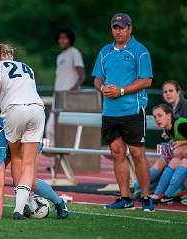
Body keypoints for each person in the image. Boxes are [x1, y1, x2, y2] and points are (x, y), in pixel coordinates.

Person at [0, 42, 68, 220]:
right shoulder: (26, 67)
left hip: (14, 113)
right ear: (10, 55)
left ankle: (40, 205)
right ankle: (19, 209)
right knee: (22, 171)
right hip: (36, 111)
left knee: (16, 170)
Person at [92, 13, 154, 211]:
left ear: (130, 28)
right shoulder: (105, 51)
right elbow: (97, 79)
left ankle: (146, 197)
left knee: (137, 153)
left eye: (122, 27)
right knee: (117, 153)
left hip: (132, 110)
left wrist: (121, 91)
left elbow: (146, 80)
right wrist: (102, 89)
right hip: (110, 112)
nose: (118, 31)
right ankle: (125, 198)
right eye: (115, 27)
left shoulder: (140, 51)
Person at [133, 81, 187, 197]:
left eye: (171, 91)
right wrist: (168, 134)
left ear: (179, 92)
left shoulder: (185, 107)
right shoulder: (169, 109)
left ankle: (174, 190)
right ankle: (148, 189)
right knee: (139, 185)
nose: (167, 94)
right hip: (175, 150)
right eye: (165, 92)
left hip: (182, 151)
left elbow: (181, 130)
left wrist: (179, 141)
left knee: (170, 165)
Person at [45, 28, 85, 147]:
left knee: (67, 128)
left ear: (70, 39)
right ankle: (55, 159)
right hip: (58, 95)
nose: (62, 40)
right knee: (51, 128)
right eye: (60, 38)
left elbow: (81, 74)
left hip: (69, 96)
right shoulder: (59, 56)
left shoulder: (74, 52)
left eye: (65, 38)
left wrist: (73, 89)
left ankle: (65, 159)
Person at [148, 104, 187, 204]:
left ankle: (169, 194)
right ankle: (159, 194)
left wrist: (182, 142)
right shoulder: (168, 129)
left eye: (160, 115)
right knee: (174, 161)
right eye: (155, 117)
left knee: (182, 158)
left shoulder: (181, 125)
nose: (157, 119)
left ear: (169, 115)